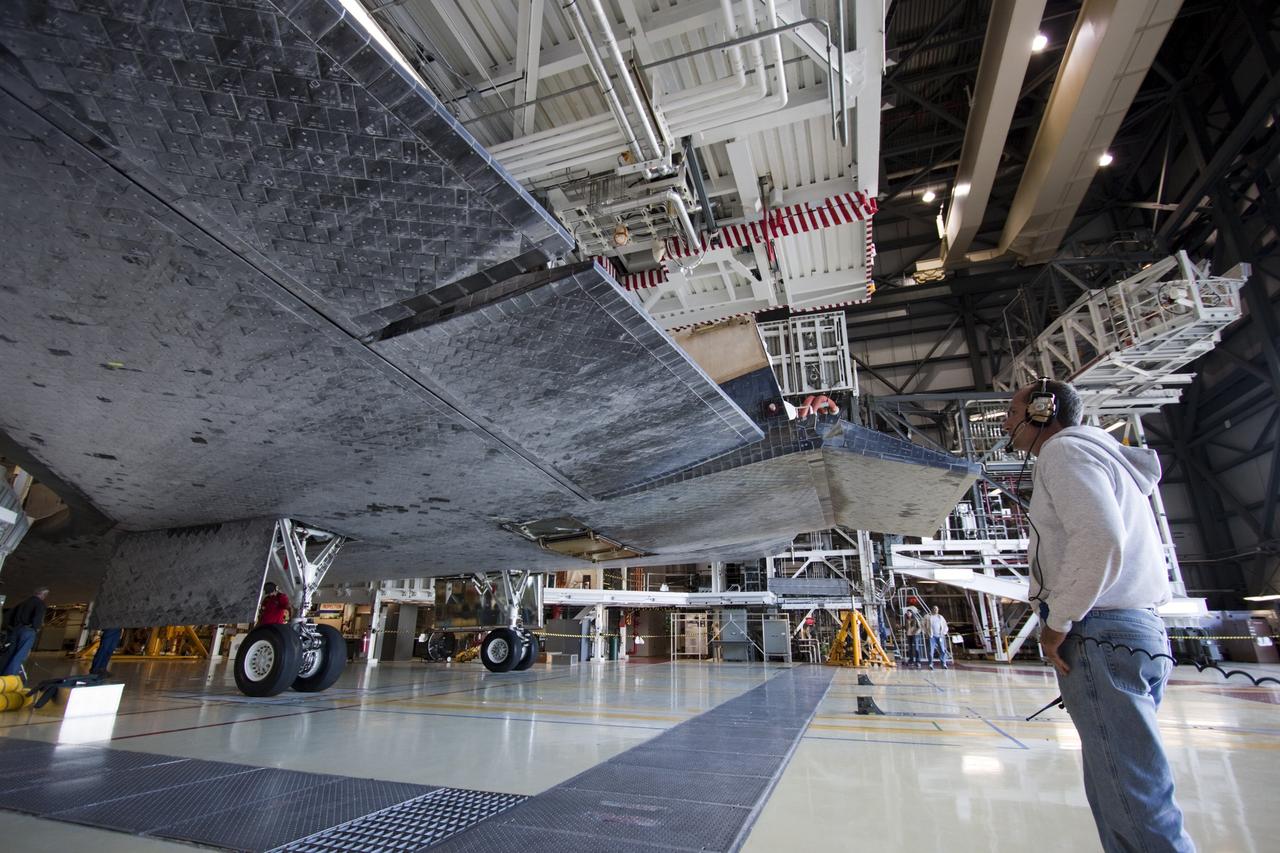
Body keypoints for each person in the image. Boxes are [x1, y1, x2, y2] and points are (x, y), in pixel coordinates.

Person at [1002, 378, 1193, 852]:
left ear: (1043, 411)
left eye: (1012, 413)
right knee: (1120, 793)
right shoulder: (1102, 457)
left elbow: (1100, 538)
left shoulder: (1064, 451)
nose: (1006, 423)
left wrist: (1058, 622)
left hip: (1100, 633)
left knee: (1134, 803)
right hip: (1132, 631)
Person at [1, 587, 49, 677]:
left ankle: (2, 674)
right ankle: (10, 676)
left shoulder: (22, 602)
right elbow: (38, 618)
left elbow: (8, 616)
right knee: (20, 654)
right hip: (28, 631)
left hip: (15, 630)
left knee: (10, 652)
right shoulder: (40, 603)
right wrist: (36, 628)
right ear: (43, 595)